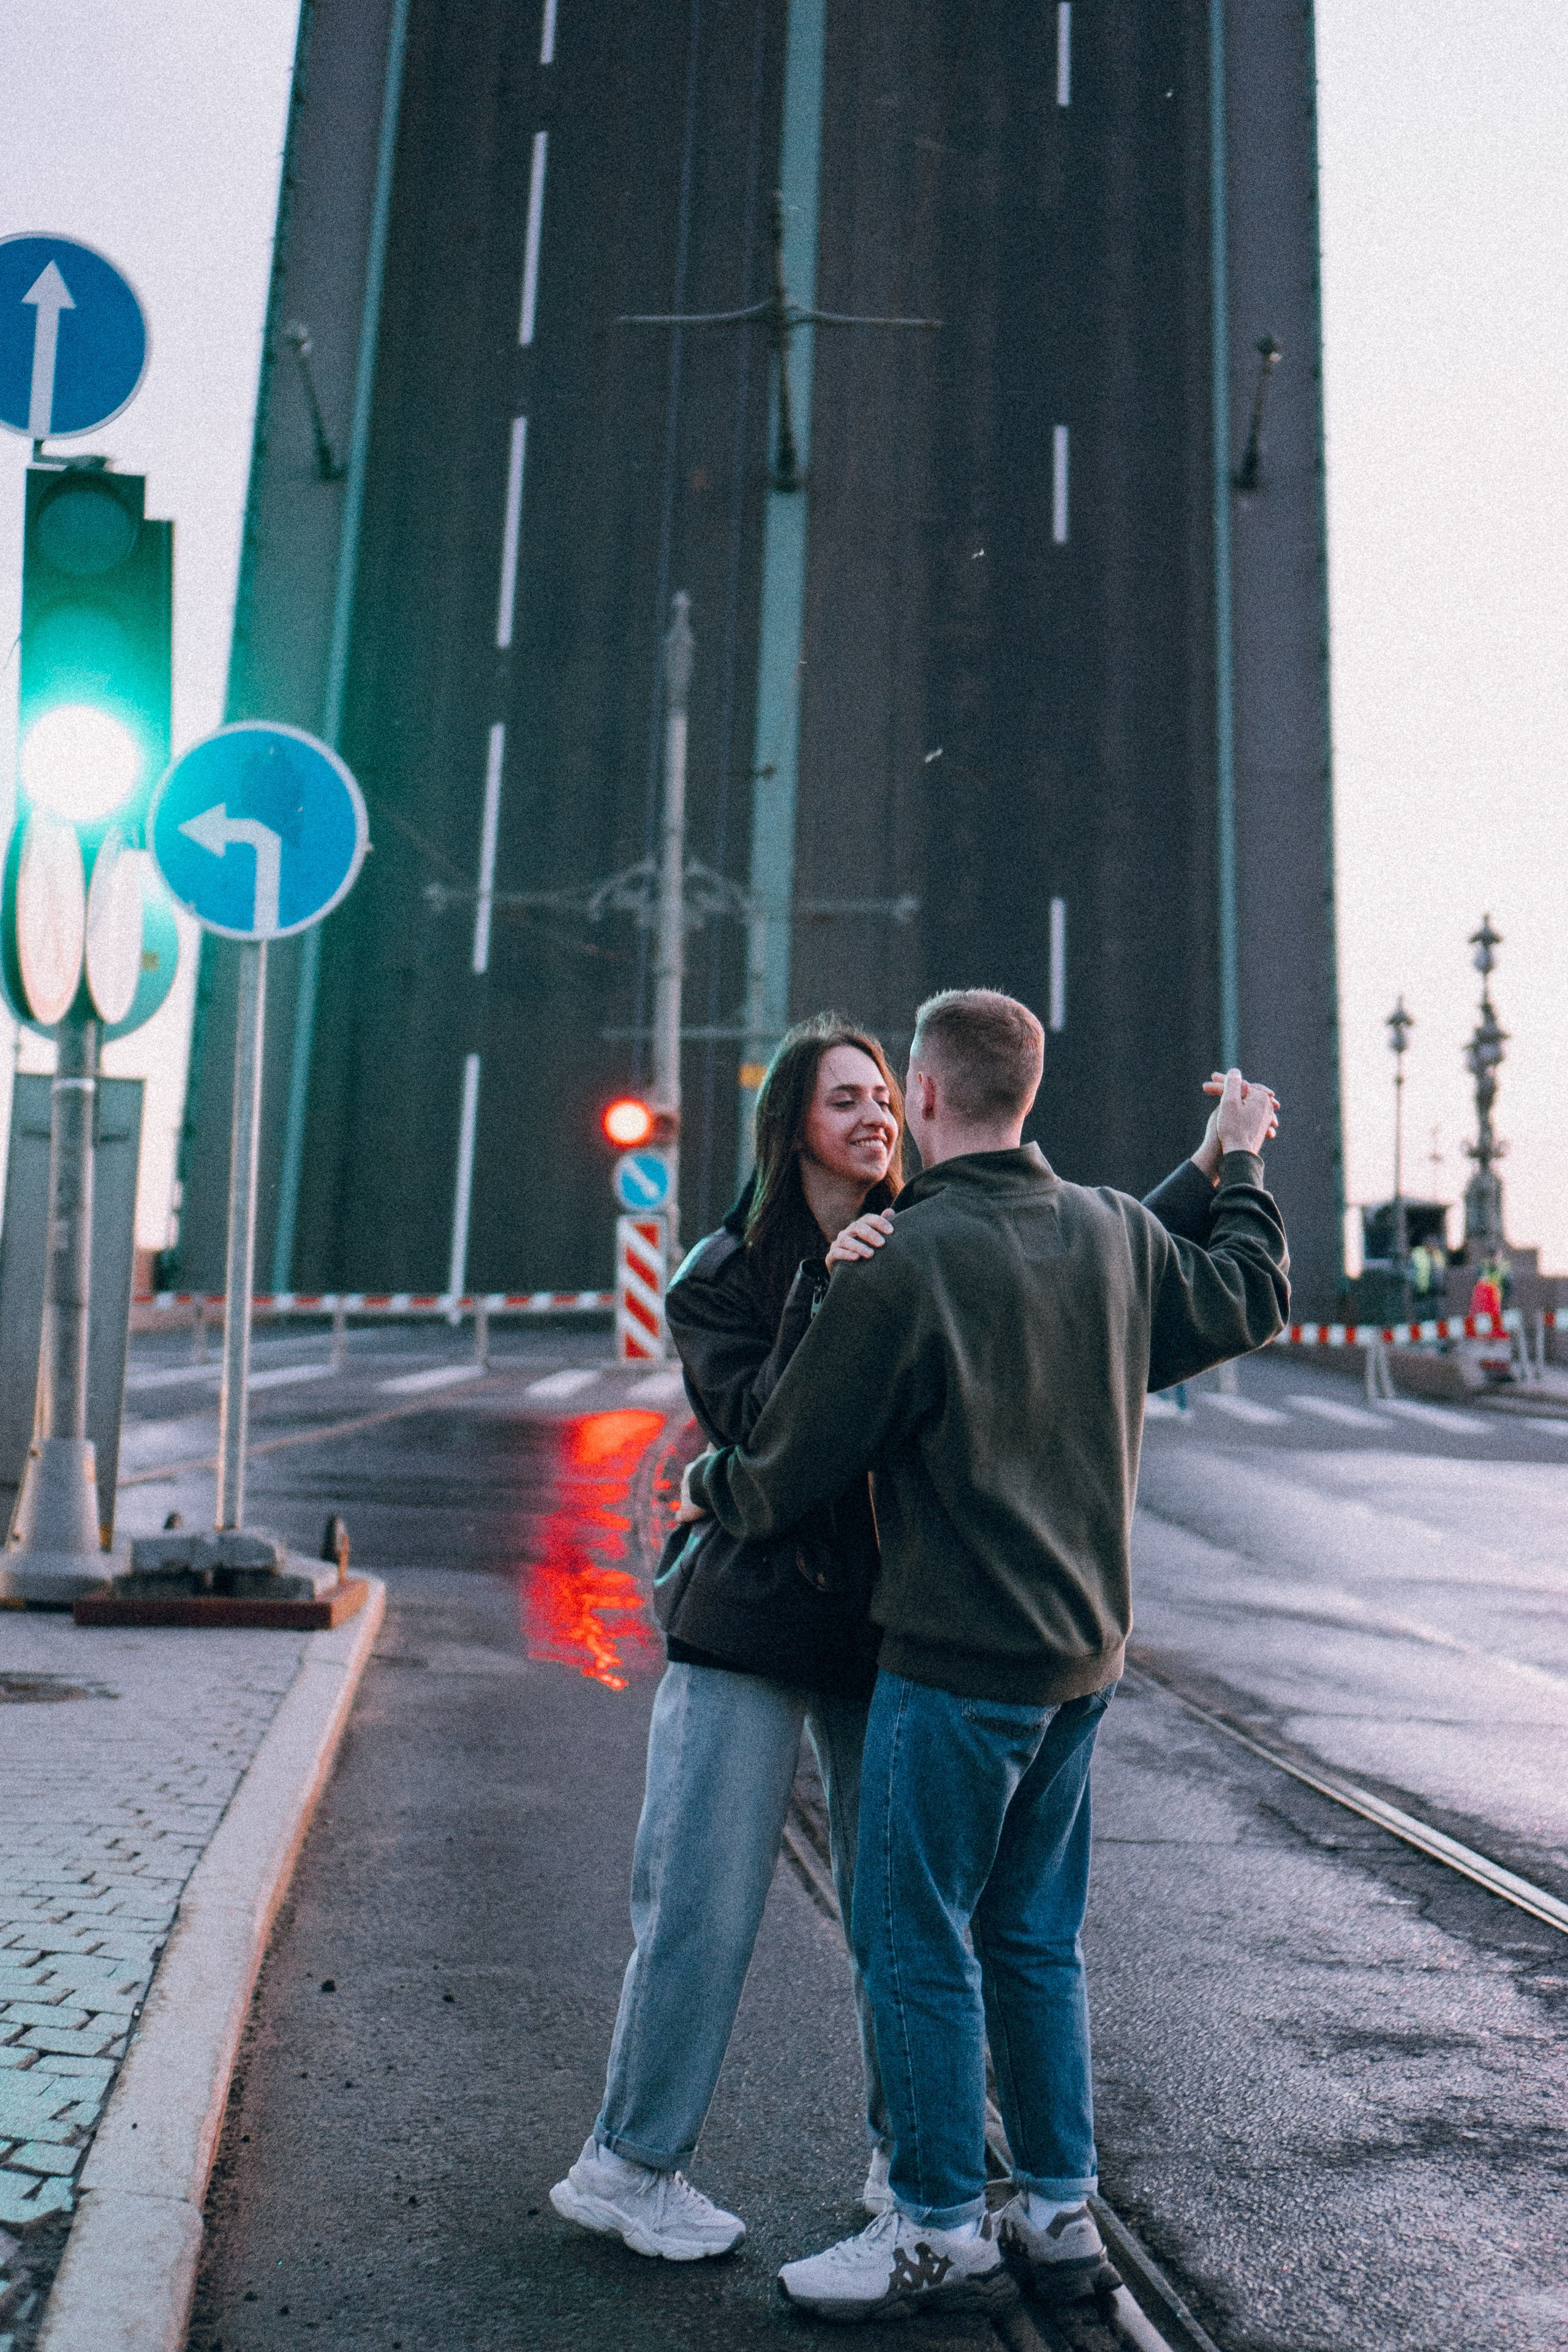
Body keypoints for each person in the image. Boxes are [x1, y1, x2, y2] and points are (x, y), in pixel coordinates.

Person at [676, 990, 1288, 2323]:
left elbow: (780, 1473)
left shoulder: (907, 1260)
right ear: (1026, 1093)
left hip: (953, 1668)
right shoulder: (1115, 1232)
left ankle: (935, 2224)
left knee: (911, 1938)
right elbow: (1245, 1288)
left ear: (929, 1097)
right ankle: (1056, 2210)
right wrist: (1233, 1164)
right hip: (1081, 1665)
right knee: (1030, 1939)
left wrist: (702, 1488)